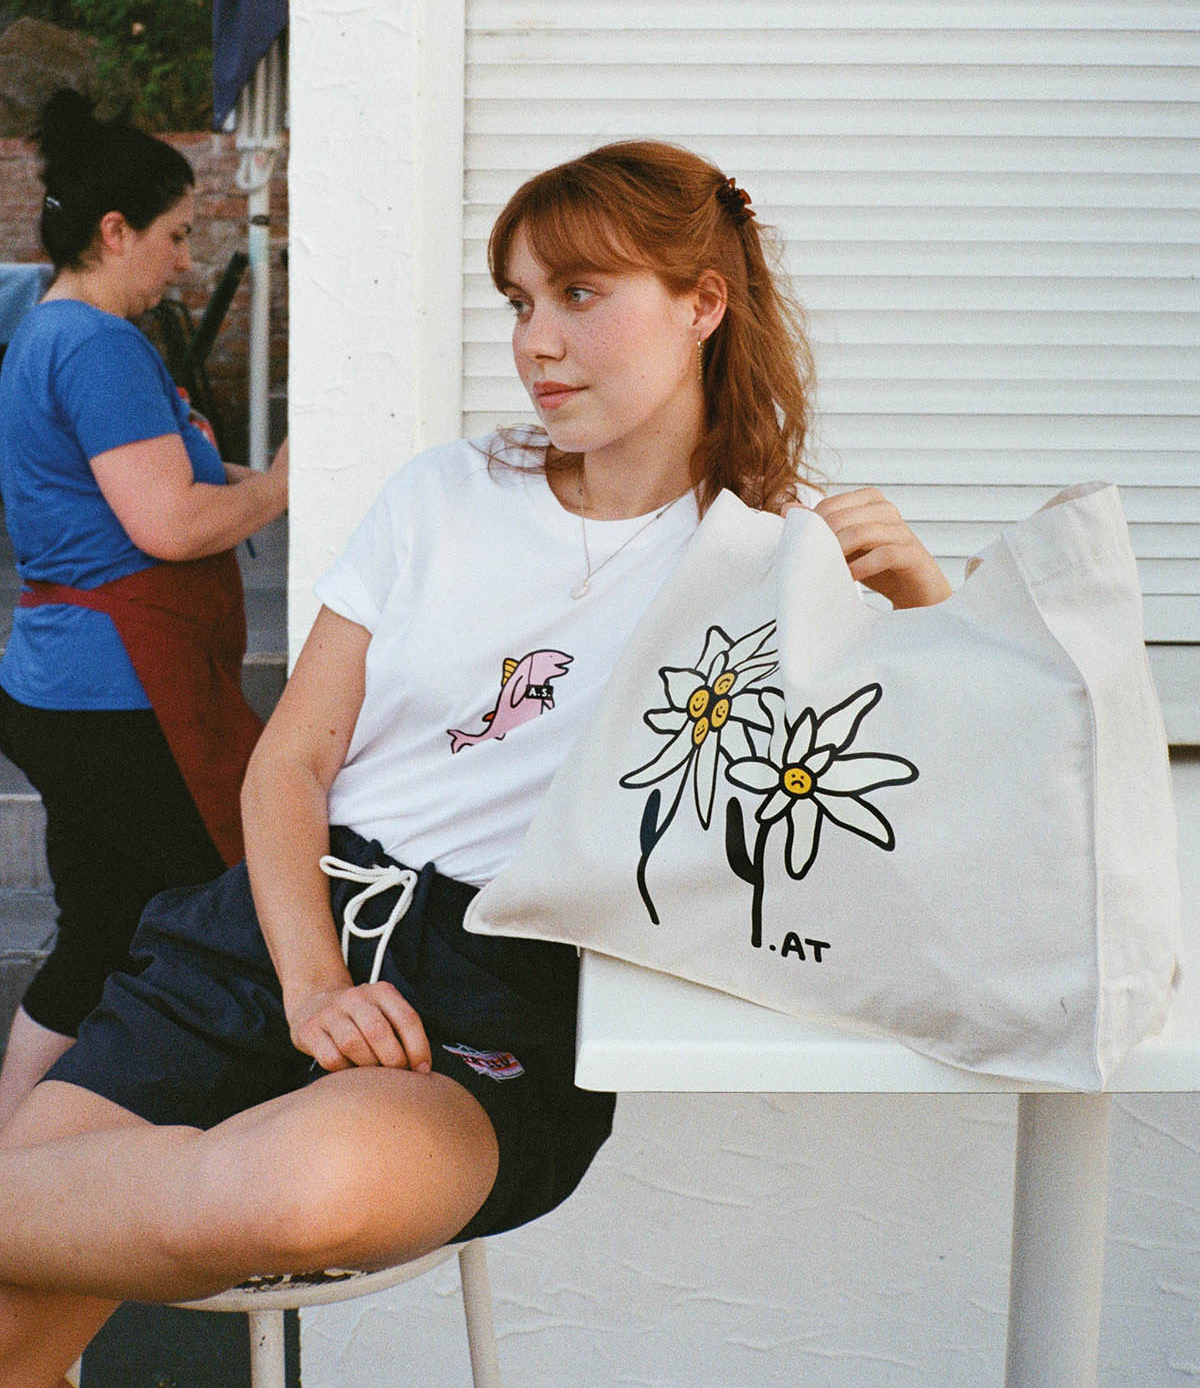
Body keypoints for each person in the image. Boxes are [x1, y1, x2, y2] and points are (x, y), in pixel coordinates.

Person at [0, 140, 949, 1384]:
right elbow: (289, 769)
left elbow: (926, 814)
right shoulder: (444, 492)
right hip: (274, 935)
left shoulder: (777, 555)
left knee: (293, 1194)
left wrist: (925, 605)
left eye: (581, 294)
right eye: (517, 302)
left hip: (494, 995)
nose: (537, 341)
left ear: (704, 302)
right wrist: (309, 984)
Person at [0, 90, 289, 1127]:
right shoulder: (96, 345)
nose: (184, 261)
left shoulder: (52, 331)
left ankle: (14, 1169)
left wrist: (266, 478)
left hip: (63, 685)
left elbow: (171, 480)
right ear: (114, 230)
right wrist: (286, 483)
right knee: (242, 903)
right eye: (174, 236)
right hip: (117, 694)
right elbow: (168, 523)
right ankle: (202, 1160)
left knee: (103, 926)